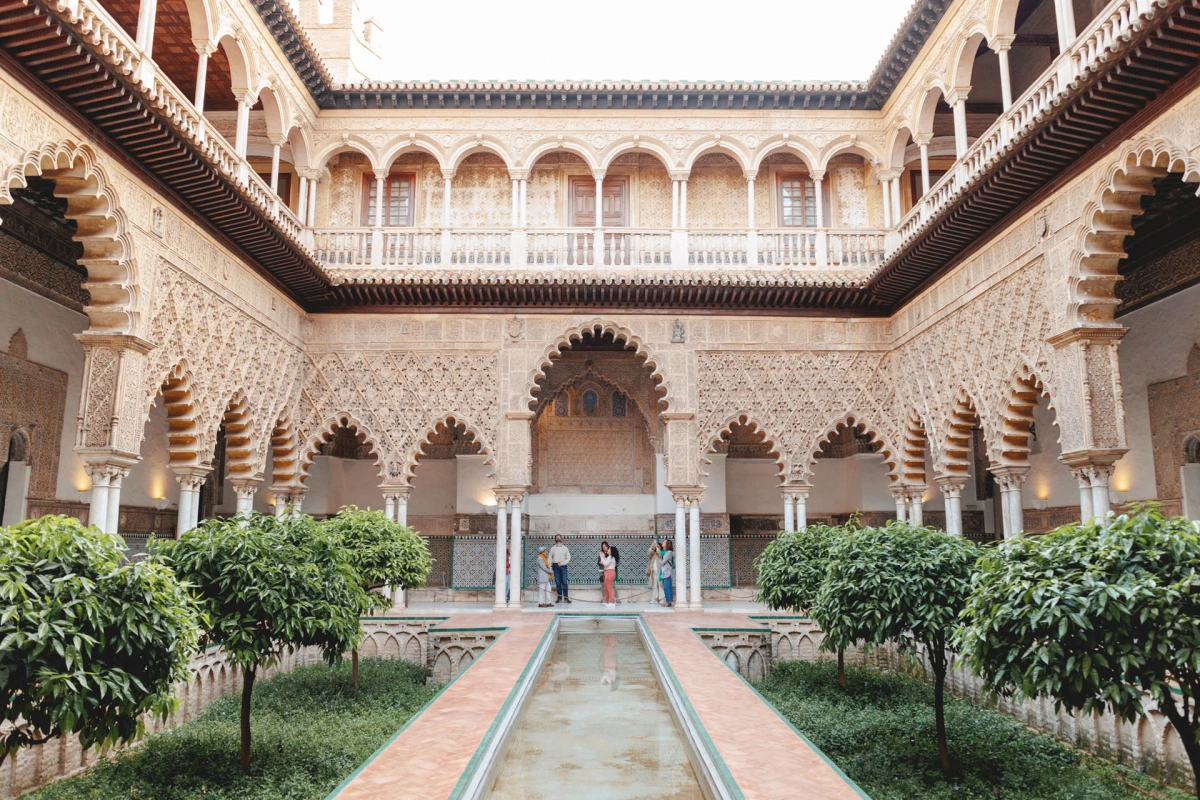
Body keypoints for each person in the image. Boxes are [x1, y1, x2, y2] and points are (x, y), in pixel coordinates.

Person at [548, 534, 571, 604]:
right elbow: (549, 559)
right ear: (555, 539)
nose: (558, 539)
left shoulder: (565, 548)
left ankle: (566, 598)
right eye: (556, 538)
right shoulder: (552, 548)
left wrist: (563, 563)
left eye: (559, 537)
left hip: (563, 566)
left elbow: (568, 558)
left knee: (564, 582)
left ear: (561, 539)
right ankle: (559, 598)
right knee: (558, 583)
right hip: (555, 566)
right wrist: (550, 568)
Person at [599, 541, 617, 608]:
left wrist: (601, 557)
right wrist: (603, 558)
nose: (608, 549)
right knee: (607, 588)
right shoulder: (609, 557)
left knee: (609, 588)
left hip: (609, 572)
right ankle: (606, 601)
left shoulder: (611, 557)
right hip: (608, 572)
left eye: (609, 549)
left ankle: (612, 602)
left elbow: (605, 564)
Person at [660, 540, 675, 607]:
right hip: (665, 572)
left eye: (664, 542)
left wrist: (659, 557)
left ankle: (669, 602)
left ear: (667, 544)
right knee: (665, 588)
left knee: (667, 588)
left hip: (667, 573)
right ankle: (668, 602)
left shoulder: (668, 553)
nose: (662, 543)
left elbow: (662, 562)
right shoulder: (665, 553)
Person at [646, 539, 662, 604]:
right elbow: (649, 554)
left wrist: (657, 549)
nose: (656, 547)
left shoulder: (661, 552)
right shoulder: (653, 554)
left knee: (660, 585)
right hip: (654, 571)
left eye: (658, 546)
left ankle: (662, 598)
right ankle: (654, 598)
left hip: (660, 570)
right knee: (654, 585)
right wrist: (651, 547)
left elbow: (660, 555)